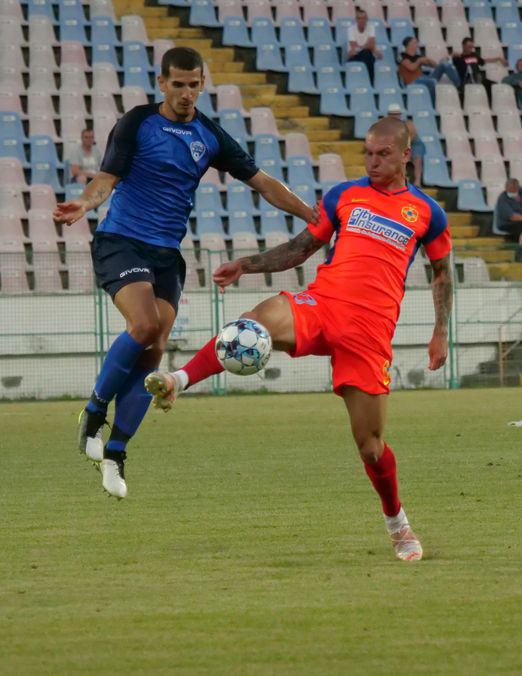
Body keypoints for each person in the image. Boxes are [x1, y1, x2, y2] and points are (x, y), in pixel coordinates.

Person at [144, 117, 451, 562]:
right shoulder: (346, 195)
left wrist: (440, 332)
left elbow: (442, 273)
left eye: (383, 154)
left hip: (369, 332)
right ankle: (178, 380)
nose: (373, 161)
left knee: (370, 446)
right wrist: (246, 264)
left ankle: (397, 523)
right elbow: (301, 248)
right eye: (367, 152)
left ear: (405, 155)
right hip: (322, 304)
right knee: (253, 323)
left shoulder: (427, 212)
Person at [52, 47, 319, 499]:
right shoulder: (137, 123)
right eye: (178, 84)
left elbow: (264, 183)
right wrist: (84, 202)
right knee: (144, 325)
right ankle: (94, 414)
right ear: (162, 83)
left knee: (155, 353)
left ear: (202, 83)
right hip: (121, 241)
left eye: (194, 84)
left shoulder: (209, 135)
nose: (186, 93)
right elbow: (107, 179)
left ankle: (116, 452)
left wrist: (313, 217)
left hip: (165, 255)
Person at [397, 37, 461, 101]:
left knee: (444, 64)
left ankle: (459, 86)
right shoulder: (402, 56)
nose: (417, 45)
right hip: (413, 82)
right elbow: (411, 68)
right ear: (409, 44)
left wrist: (428, 60)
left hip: (424, 78)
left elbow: (435, 65)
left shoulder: (417, 56)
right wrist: (419, 61)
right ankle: (432, 105)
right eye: (415, 42)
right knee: (432, 82)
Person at [386, 104, 423, 185]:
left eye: (396, 114)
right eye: (392, 114)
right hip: (399, 145)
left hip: (413, 144)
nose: (394, 116)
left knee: (417, 157)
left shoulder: (407, 124)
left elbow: (412, 135)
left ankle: (417, 180)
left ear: (400, 115)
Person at [345, 8, 381, 82]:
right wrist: (369, 47)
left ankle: (366, 83)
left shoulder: (371, 27)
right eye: (359, 18)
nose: (362, 20)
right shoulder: (351, 29)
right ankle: (370, 82)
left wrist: (363, 47)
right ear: (356, 20)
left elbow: (371, 45)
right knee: (368, 54)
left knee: (367, 55)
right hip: (355, 57)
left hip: (367, 56)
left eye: (364, 18)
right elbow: (354, 48)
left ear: (367, 19)